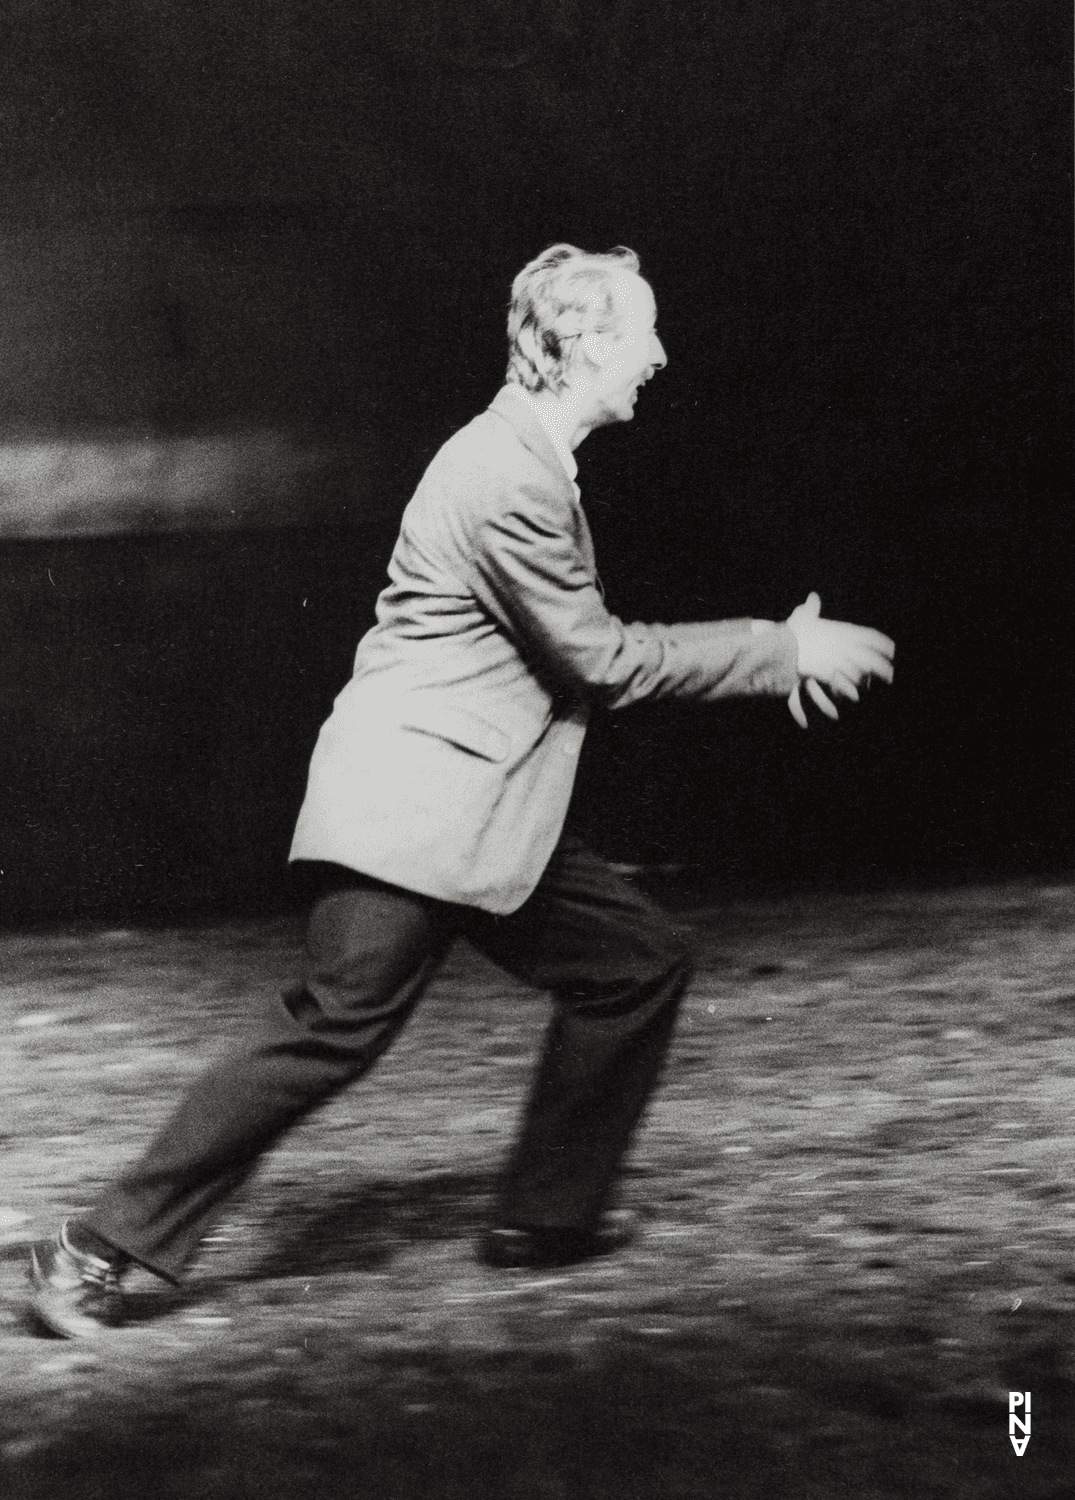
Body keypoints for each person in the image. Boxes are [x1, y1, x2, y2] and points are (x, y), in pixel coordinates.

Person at [28, 243, 894, 1337]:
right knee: (334, 1028)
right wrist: (778, 651)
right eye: (643, 332)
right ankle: (92, 1249)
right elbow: (601, 661)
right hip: (415, 810)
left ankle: (545, 1218)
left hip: (480, 811)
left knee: (636, 963)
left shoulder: (527, 461)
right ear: (580, 345)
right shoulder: (503, 477)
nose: (661, 356)